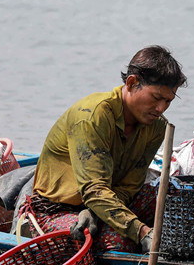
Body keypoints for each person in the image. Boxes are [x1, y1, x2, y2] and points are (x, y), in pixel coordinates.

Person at [29, 45, 186, 252]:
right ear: (132, 83)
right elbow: (94, 190)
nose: (161, 109)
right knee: (118, 244)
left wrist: (95, 212)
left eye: (168, 101)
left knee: (174, 197)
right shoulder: (92, 116)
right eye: (156, 98)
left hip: (105, 203)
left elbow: (130, 186)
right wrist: (141, 232)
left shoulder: (157, 127)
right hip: (57, 210)